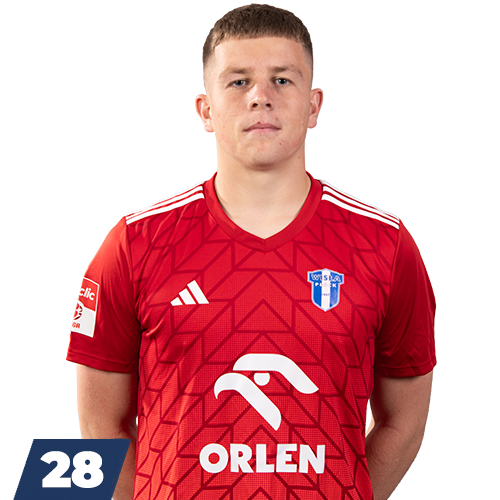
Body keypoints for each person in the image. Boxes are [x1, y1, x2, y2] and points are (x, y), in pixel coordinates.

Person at [66, 4, 436, 499]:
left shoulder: (385, 245)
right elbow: (100, 426)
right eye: (238, 81)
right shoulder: (135, 243)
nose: (261, 96)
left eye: (282, 80)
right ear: (206, 110)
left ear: (314, 106)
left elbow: (405, 424)